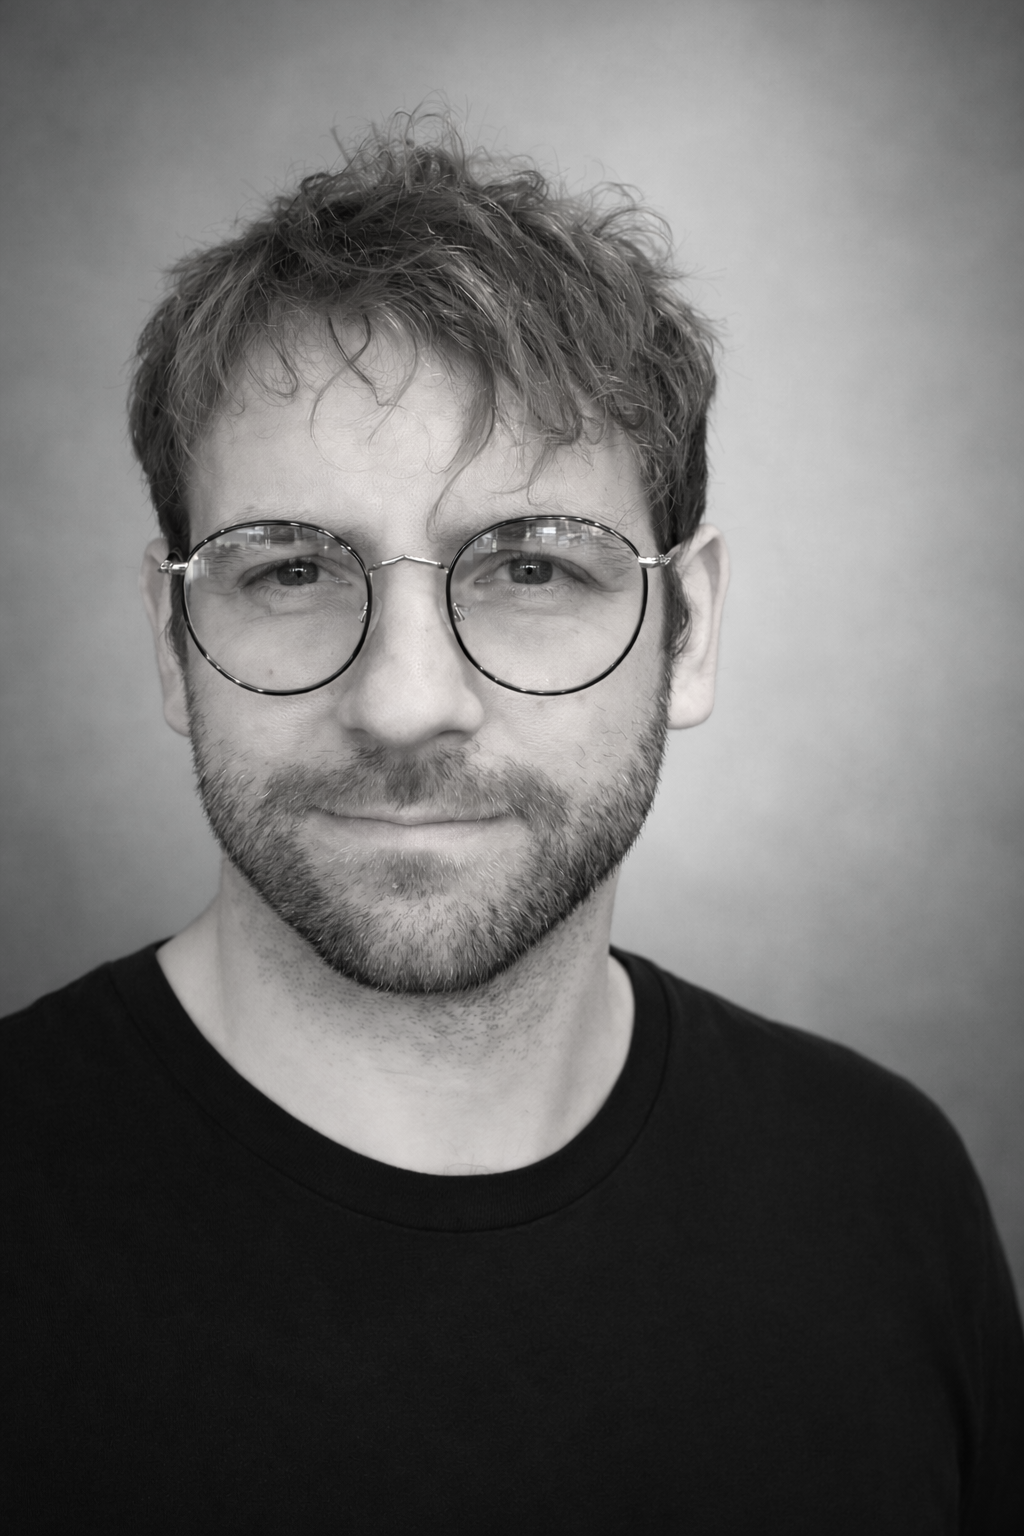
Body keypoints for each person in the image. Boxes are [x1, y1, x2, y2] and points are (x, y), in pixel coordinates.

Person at [3, 117, 1022, 1532]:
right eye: (289, 568)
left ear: (692, 626)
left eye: (533, 566)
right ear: (174, 644)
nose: (408, 703)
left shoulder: (885, 1190)